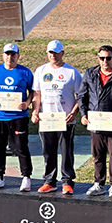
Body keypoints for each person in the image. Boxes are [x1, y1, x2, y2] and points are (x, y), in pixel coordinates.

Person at [77, 44, 112, 197]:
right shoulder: (90, 73)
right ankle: (99, 184)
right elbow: (82, 96)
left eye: (108, 58)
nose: (105, 61)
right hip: (95, 122)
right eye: (102, 58)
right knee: (97, 154)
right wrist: (83, 114)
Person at [0, 43, 34, 192]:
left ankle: (26, 177)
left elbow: (33, 91)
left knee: (21, 147)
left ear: (18, 56)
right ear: (3, 55)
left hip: (18, 117)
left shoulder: (25, 72)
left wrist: (27, 103)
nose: (10, 57)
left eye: (13, 54)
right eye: (7, 54)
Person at [32, 40, 82, 195]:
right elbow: (36, 93)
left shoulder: (72, 72)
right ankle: (49, 181)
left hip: (65, 119)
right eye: (50, 52)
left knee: (66, 150)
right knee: (48, 151)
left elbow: (80, 95)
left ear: (62, 53)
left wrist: (74, 112)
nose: (53, 55)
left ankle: (67, 181)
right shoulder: (41, 71)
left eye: (56, 52)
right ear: (47, 53)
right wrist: (35, 111)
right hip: (47, 119)